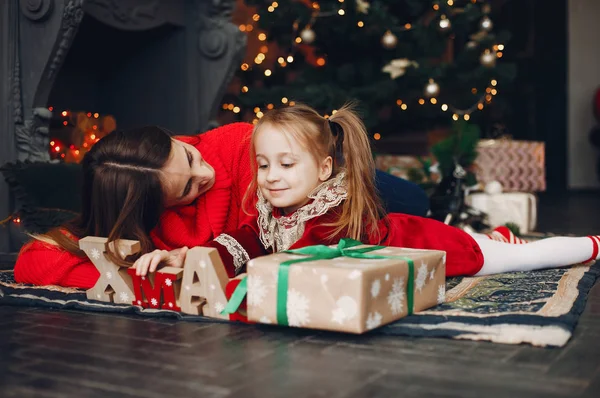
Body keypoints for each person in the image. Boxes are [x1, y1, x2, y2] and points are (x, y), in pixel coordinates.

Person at [133, 103, 600, 279]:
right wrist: (193, 257)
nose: (271, 176)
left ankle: (587, 244)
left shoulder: (329, 211)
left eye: (287, 164)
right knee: (494, 244)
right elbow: (249, 241)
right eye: (263, 165)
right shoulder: (275, 209)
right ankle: (497, 234)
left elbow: (302, 259)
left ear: (324, 168)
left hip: (431, 244)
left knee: (514, 260)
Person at [14, 121, 430, 288]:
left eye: (190, 158)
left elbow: (292, 234)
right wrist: (145, 276)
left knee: (415, 208)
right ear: (153, 208)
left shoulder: (234, 145)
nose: (206, 176)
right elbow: (32, 261)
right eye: (188, 189)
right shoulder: (144, 222)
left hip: (331, 198)